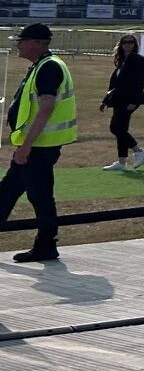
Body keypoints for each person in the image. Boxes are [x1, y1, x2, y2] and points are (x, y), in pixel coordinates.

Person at [1, 23, 76, 262]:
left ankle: (46, 244)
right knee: (7, 191)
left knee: (39, 195)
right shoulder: (42, 65)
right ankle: (46, 243)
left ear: (37, 43)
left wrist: (26, 147)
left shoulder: (49, 67)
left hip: (40, 147)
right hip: (35, 146)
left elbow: (46, 107)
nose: (19, 44)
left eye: (22, 40)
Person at [99, 32, 144, 171]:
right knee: (121, 129)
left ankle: (138, 150)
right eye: (125, 42)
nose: (127, 45)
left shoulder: (137, 59)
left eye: (130, 42)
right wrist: (105, 100)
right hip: (119, 99)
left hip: (129, 99)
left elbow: (139, 81)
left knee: (115, 128)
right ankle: (122, 161)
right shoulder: (121, 60)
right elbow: (114, 84)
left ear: (135, 45)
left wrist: (134, 100)